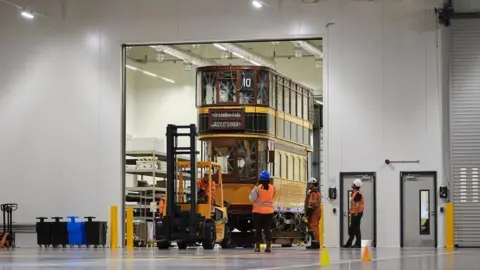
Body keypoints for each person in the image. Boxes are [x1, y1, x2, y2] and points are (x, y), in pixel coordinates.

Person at [249, 170, 275, 253]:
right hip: (269, 212)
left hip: (258, 212)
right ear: (268, 179)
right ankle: (268, 247)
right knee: (267, 229)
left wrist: (255, 188)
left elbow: (251, 199)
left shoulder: (257, 188)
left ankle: (257, 247)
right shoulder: (272, 188)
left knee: (258, 229)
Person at [342, 179, 364, 248]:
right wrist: (351, 211)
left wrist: (356, 213)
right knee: (352, 229)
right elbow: (354, 204)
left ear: (355, 185)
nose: (352, 184)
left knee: (356, 228)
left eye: (353, 183)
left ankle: (358, 244)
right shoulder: (354, 193)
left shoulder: (358, 193)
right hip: (354, 213)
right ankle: (349, 243)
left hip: (357, 214)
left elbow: (357, 204)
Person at [305, 177, 321, 249]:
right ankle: (315, 243)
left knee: (313, 227)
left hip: (314, 212)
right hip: (316, 212)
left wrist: (308, 215)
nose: (308, 185)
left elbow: (311, 205)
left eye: (310, 184)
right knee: (314, 227)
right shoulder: (316, 192)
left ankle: (315, 244)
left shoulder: (313, 193)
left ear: (313, 184)